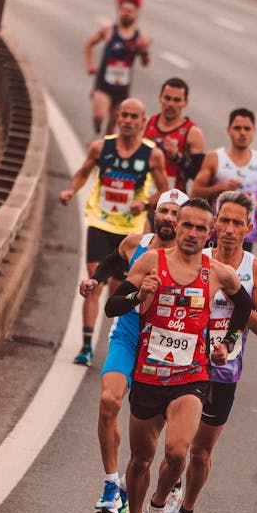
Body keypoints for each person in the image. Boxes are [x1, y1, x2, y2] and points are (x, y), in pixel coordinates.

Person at [104, 198, 253, 513]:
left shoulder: (217, 272)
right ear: (178, 226)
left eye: (201, 229)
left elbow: (244, 306)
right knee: (140, 460)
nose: (192, 234)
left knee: (177, 452)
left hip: (191, 376)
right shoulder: (151, 262)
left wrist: (227, 342)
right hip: (151, 374)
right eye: (187, 225)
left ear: (210, 233)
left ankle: (158, 505)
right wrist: (139, 295)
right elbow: (113, 305)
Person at [167, 190, 257, 513]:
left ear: (249, 227)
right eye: (223, 221)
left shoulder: (256, 270)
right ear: (214, 224)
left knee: (200, 452)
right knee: (176, 447)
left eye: (236, 223)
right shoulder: (198, 258)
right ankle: (168, 491)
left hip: (225, 371)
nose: (228, 229)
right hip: (186, 363)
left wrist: (236, 301)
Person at [78, 189, 186, 513]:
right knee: (109, 402)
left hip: (163, 345)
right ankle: (111, 485)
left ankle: (130, 485)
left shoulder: (193, 260)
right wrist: (94, 281)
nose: (167, 217)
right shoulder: (135, 243)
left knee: (150, 439)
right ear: (155, 213)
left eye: (175, 213)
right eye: (163, 210)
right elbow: (113, 261)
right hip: (127, 336)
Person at [60, 98, 168, 367]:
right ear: (118, 118)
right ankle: (85, 346)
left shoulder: (152, 155)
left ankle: (116, 340)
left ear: (144, 122)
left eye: (135, 117)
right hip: (100, 223)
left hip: (130, 232)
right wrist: (71, 191)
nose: (129, 121)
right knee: (94, 283)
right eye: (125, 115)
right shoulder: (100, 147)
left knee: (118, 291)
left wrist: (144, 204)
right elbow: (83, 173)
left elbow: (165, 191)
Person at [191, 108, 257, 251]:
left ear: (254, 130)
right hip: (216, 232)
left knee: (237, 272)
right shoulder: (215, 158)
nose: (242, 133)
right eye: (237, 128)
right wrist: (219, 188)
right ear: (228, 130)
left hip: (244, 234)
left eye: (247, 128)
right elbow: (195, 193)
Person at [85, 0, 151, 135]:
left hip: (122, 87)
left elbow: (145, 63)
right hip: (103, 82)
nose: (126, 14)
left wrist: (144, 51)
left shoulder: (140, 38)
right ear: (119, 11)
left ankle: (104, 151)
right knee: (99, 116)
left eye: (130, 11)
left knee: (112, 126)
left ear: (136, 14)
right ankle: (97, 129)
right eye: (124, 10)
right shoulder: (108, 30)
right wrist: (90, 65)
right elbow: (89, 44)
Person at [143, 77, 205, 194]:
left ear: (185, 102)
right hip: (144, 195)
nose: (171, 104)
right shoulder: (146, 124)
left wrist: (178, 157)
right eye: (167, 98)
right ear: (160, 97)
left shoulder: (192, 133)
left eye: (177, 100)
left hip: (173, 201)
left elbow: (200, 177)